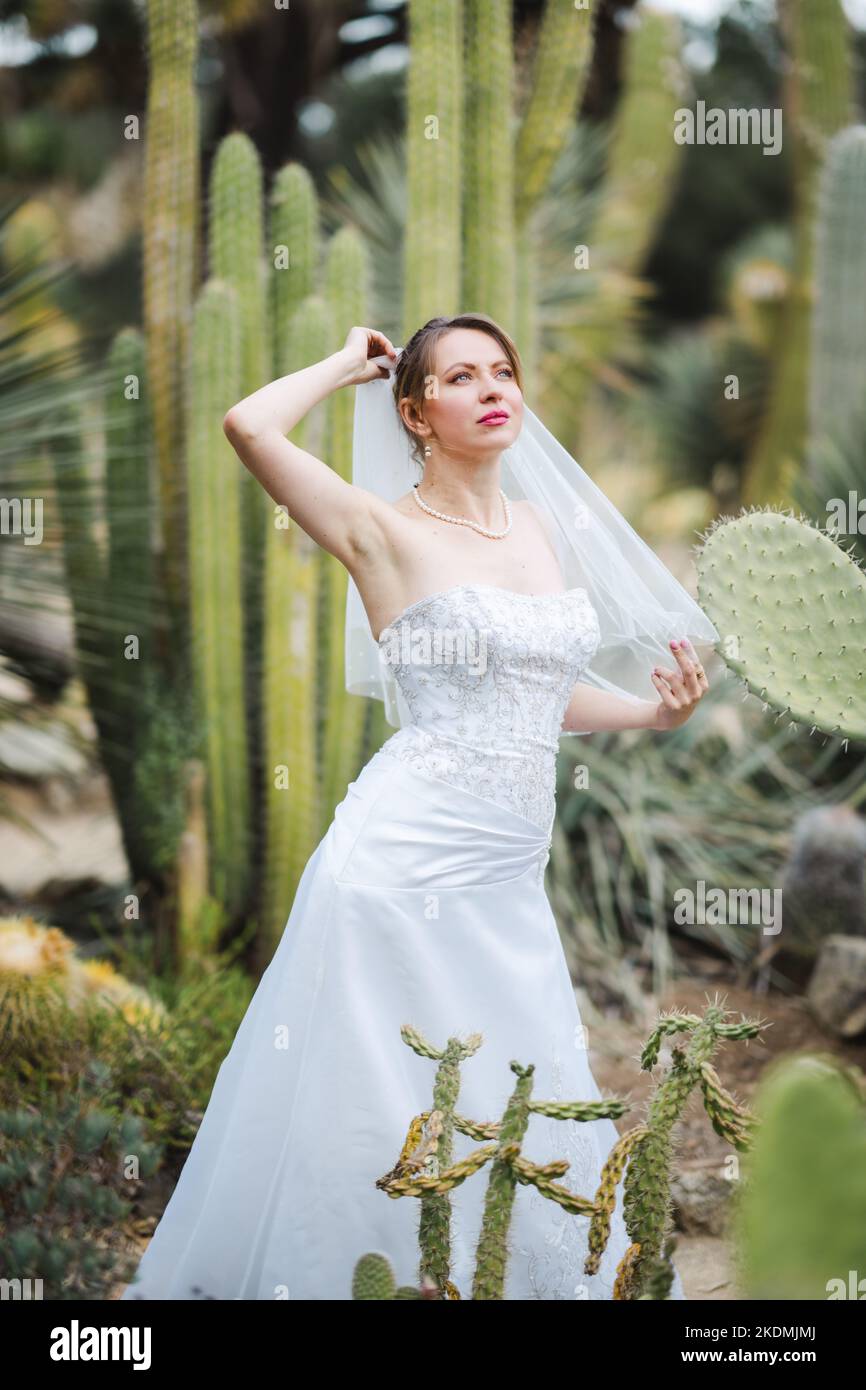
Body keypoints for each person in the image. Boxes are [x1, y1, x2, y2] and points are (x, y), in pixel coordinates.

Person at [120, 314, 715, 1301]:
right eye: (461, 377)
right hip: (395, 872)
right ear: (415, 412)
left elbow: (539, 694)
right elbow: (248, 427)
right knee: (378, 1101)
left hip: (505, 878)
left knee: (508, 1078)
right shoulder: (377, 529)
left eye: (503, 371)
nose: (493, 388)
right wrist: (342, 363)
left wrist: (651, 712)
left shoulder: (537, 527)